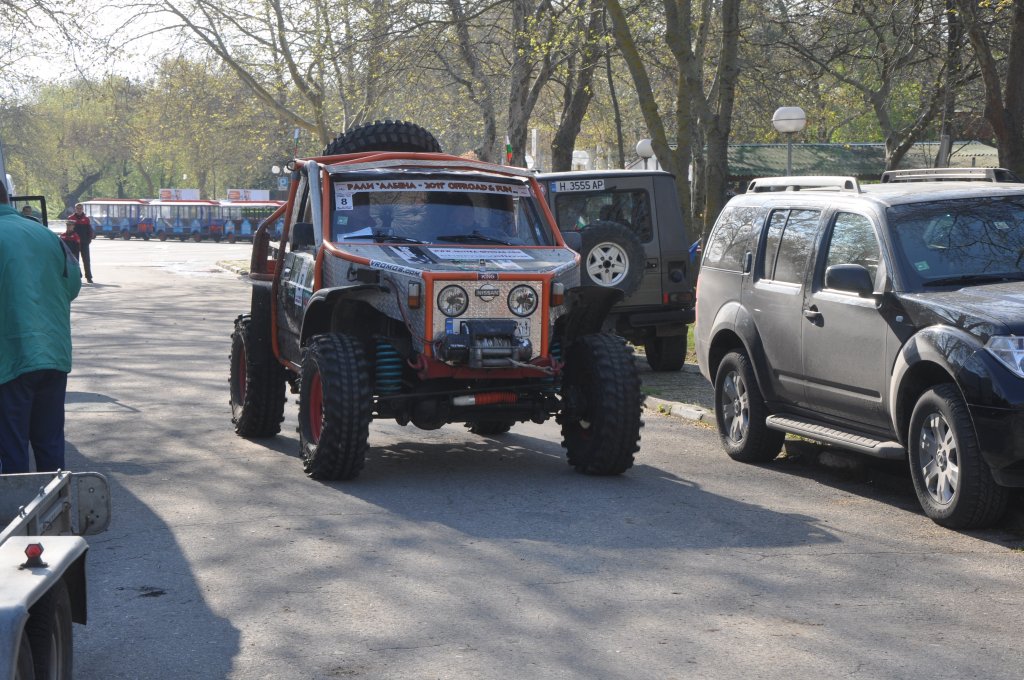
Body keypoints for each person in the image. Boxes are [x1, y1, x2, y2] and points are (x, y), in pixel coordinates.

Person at [0, 182, 82, 474]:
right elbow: (73, 285)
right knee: (50, 446)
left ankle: (18, 504)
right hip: (53, 354)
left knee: (11, 452)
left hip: (10, 358)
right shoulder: (46, 235)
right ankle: (57, 502)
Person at [67, 202, 94, 283]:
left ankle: (88, 277)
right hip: (74, 243)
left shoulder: (86, 219)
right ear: (75, 209)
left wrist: (89, 240)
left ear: (83, 209)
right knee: (75, 260)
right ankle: (77, 276)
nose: (79, 210)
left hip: (84, 242)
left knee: (86, 260)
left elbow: (89, 230)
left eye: (80, 208)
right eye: (77, 208)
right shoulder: (71, 218)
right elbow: (69, 230)